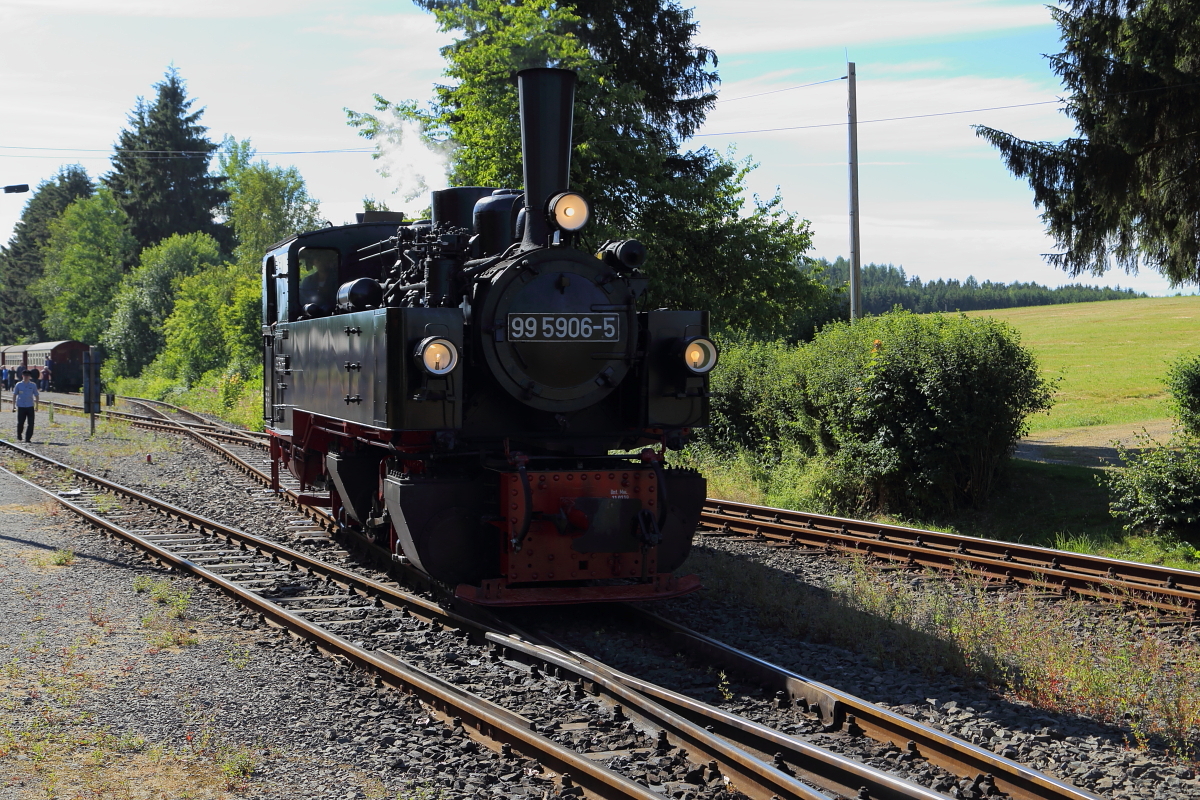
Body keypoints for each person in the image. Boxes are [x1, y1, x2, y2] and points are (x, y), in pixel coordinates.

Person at [13, 369, 39, 442]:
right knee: (21, 422)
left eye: (27, 376)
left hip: (30, 406)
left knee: (31, 423)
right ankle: (19, 434)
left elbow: (36, 395)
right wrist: (13, 406)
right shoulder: (18, 384)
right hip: (21, 406)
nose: (26, 377)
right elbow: (14, 395)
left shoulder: (33, 385)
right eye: (25, 375)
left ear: (29, 377)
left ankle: (28, 438)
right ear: (22, 376)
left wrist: (37, 406)